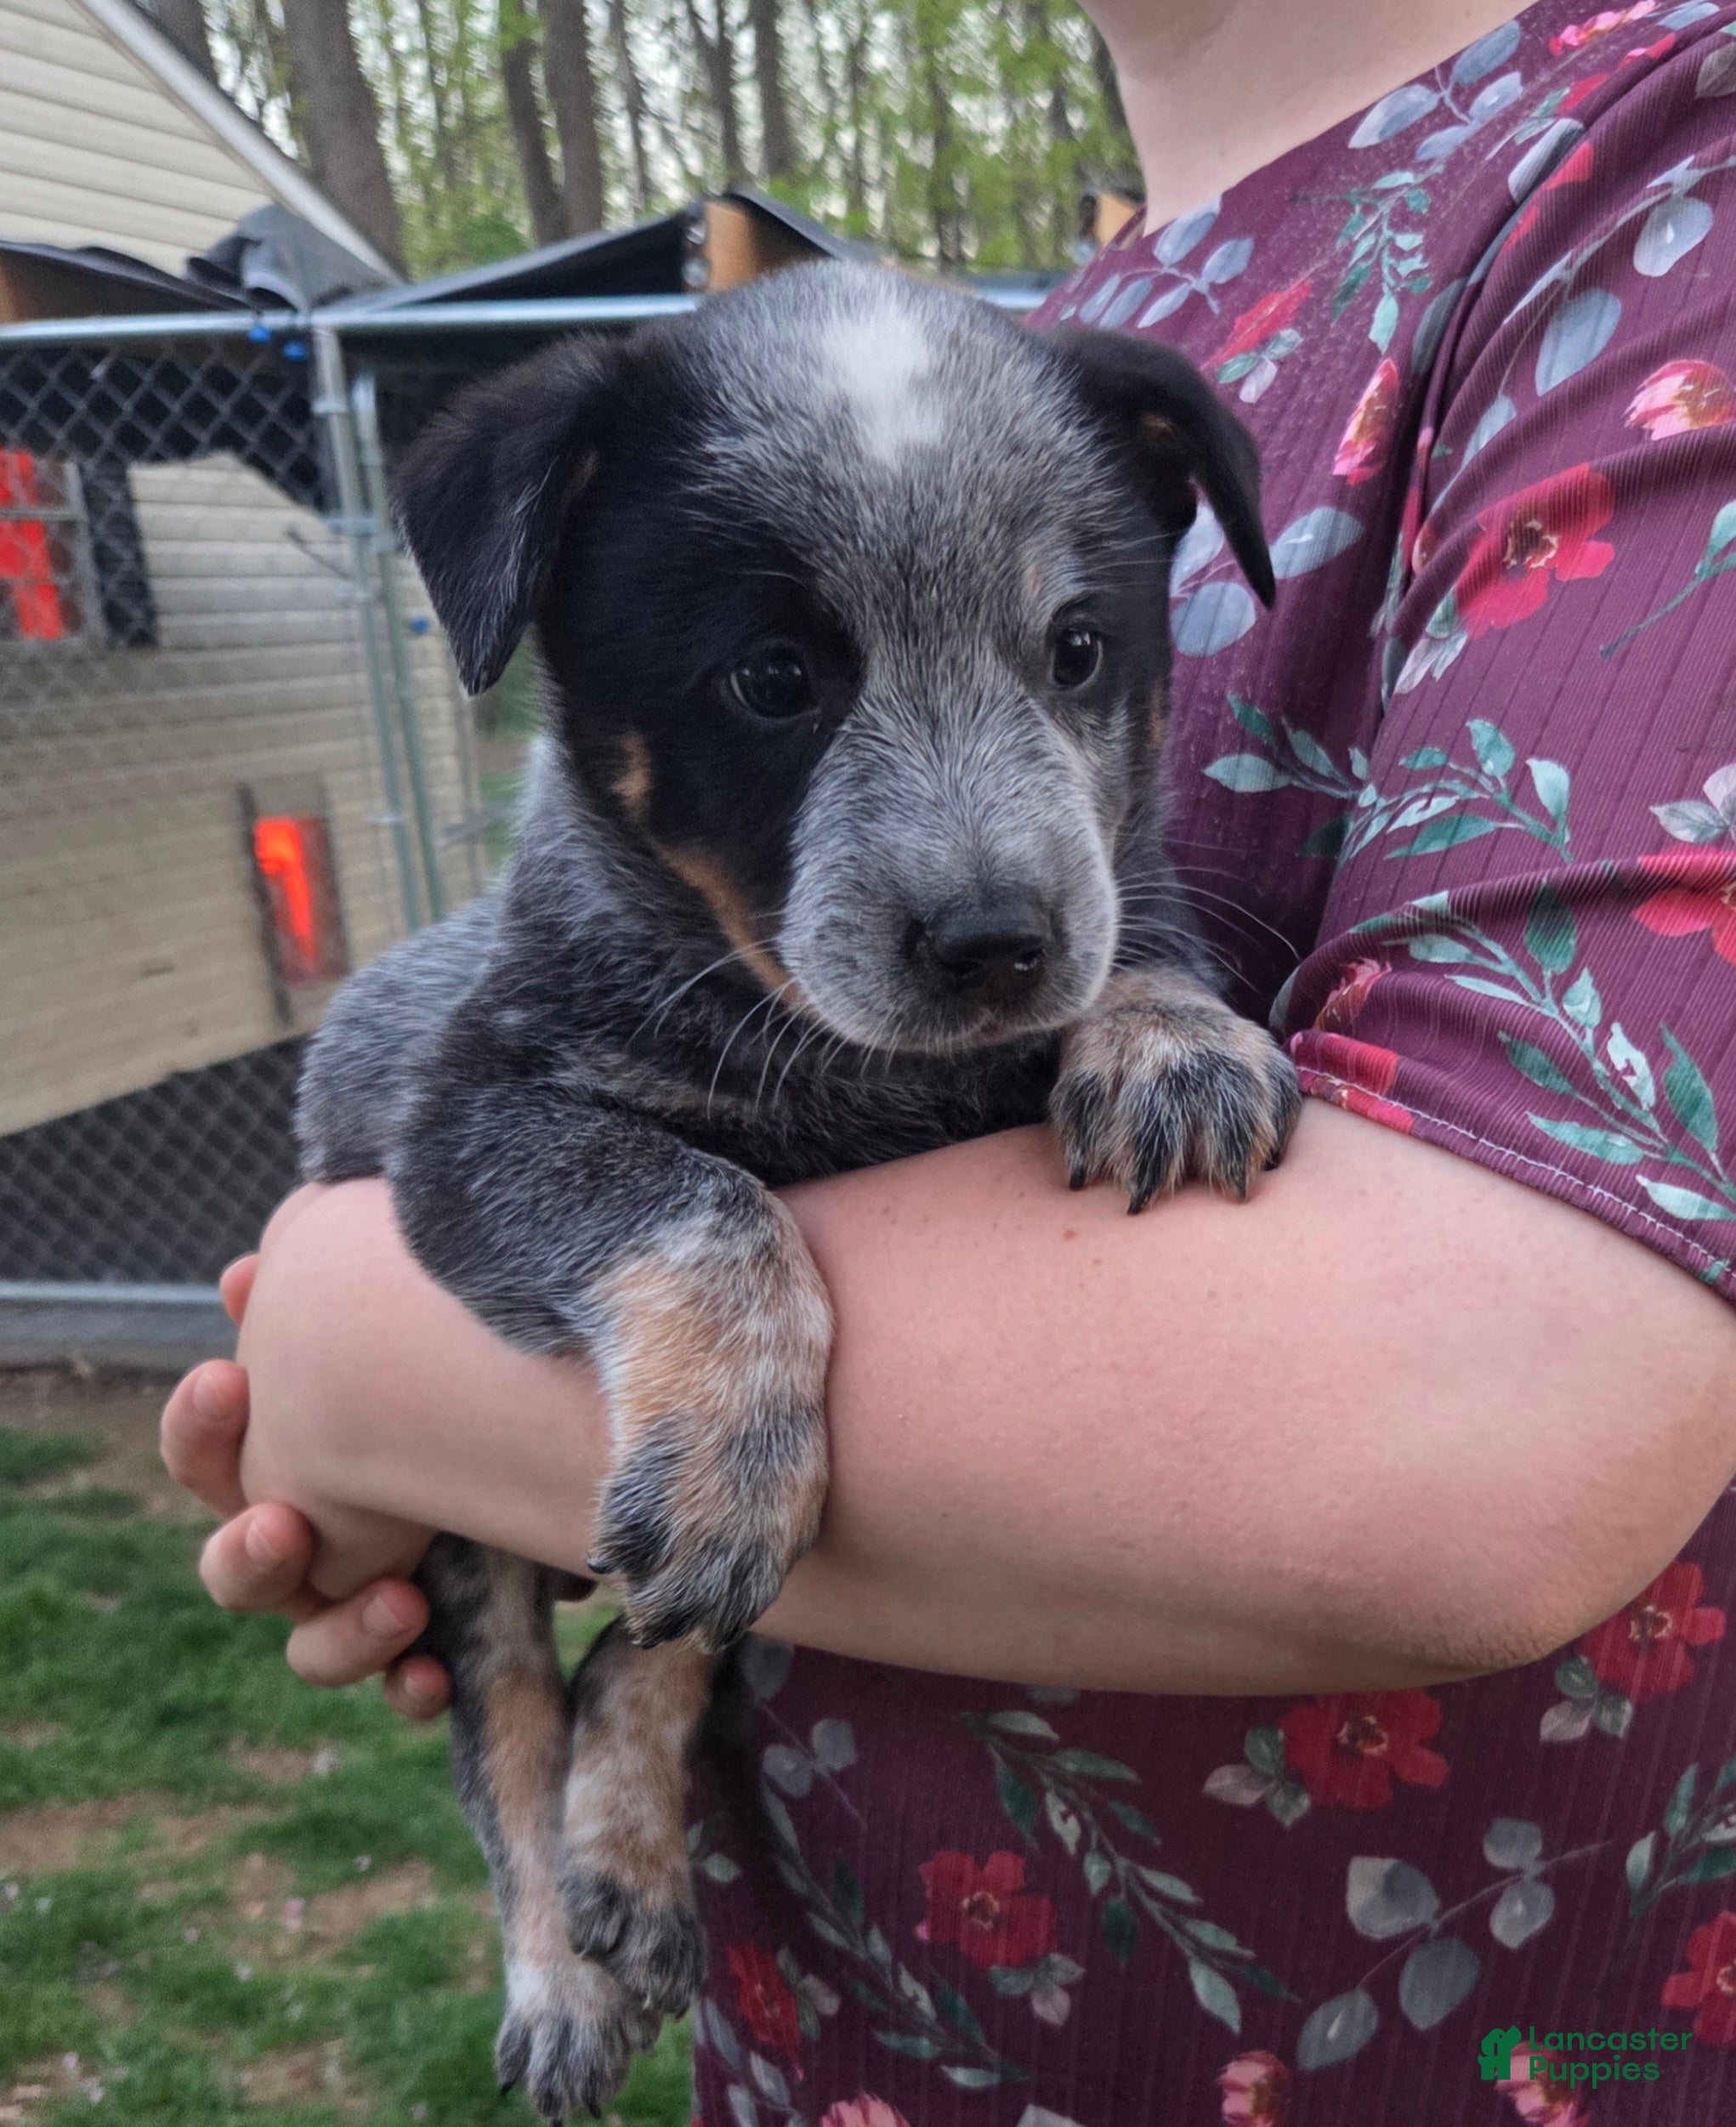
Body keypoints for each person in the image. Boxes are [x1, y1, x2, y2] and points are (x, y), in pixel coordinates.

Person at [162, 0, 1736, 2117]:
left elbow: (1473, 1446)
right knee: (502, 1618)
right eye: (771, 679)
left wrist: (369, 1377)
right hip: (837, 2011)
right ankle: (556, 1845)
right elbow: (501, 1145)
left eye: (1073, 660)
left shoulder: (1662, 177)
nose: (991, 875)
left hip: (1459, 2017)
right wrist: (479, 1436)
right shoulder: (1100, 300)